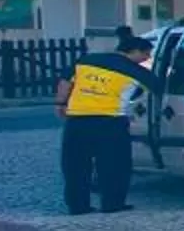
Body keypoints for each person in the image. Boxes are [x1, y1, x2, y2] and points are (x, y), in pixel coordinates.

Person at [55, 27, 162, 216]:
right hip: (110, 122)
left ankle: (78, 206)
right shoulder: (136, 71)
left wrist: (61, 103)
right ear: (135, 51)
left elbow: (65, 82)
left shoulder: (86, 61)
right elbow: (158, 89)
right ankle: (112, 204)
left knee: (76, 165)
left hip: (78, 119)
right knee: (114, 165)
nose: (147, 58)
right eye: (146, 54)